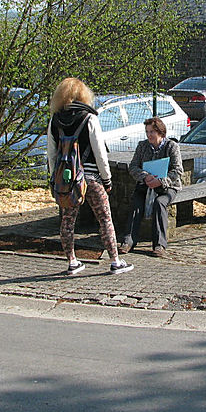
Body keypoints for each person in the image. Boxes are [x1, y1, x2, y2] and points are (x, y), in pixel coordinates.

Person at [47, 77, 132, 275]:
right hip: (91, 177)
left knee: (67, 221)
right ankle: (115, 261)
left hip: (67, 180)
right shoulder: (89, 118)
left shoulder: (54, 120)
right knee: (104, 218)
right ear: (83, 95)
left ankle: (72, 262)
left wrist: (55, 179)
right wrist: (107, 179)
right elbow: (100, 152)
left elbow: (52, 154)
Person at [118, 117, 183, 258]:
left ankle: (159, 245)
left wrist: (160, 181)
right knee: (136, 202)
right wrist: (145, 176)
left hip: (167, 187)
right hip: (146, 184)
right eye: (147, 132)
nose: (149, 135)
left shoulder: (172, 146)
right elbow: (133, 166)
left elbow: (178, 171)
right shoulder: (142, 146)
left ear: (161, 132)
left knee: (160, 203)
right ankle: (128, 241)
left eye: (152, 132)